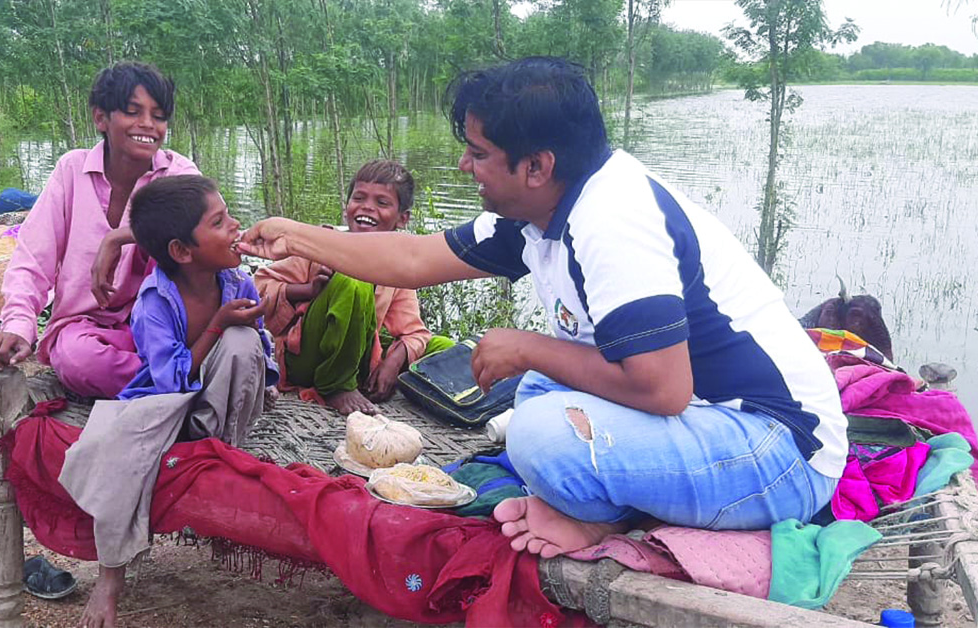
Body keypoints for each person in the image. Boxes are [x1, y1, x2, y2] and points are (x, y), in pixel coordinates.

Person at [237, 57, 846, 558]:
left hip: (781, 452)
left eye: (477, 153)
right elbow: (415, 259)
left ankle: (600, 522)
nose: (464, 166)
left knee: (542, 436)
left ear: (536, 166)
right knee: (535, 394)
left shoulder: (610, 225)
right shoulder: (547, 209)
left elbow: (664, 390)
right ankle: (606, 509)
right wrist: (298, 235)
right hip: (714, 420)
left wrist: (528, 345)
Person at [60, 175, 277, 628]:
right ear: (182, 251)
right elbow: (169, 381)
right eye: (219, 222)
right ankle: (110, 577)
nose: (236, 226)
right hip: (166, 400)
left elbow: (259, 353)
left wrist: (259, 352)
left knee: (243, 342)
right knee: (120, 453)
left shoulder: (239, 284)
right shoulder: (154, 302)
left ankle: (222, 450)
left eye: (228, 214)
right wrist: (215, 324)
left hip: (219, 408)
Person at [0, 61, 200, 399]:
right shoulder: (72, 170)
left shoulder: (177, 173)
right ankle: (179, 381)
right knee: (79, 362)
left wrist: (122, 236)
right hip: (88, 328)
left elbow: (206, 233)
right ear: (101, 118)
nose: (148, 125)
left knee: (181, 246)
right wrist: (18, 325)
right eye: (132, 111)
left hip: (164, 324)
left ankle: (169, 375)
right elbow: (33, 258)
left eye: (158, 116)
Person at [253, 160, 452, 415]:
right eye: (359, 197)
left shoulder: (397, 263)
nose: (367, 207)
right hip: (307, 359)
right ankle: (335, 385)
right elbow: (258, 288)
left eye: (382, 203)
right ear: (347, 207)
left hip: (357, 357)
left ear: (402, 219)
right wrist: (308, 290)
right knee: (353, 278)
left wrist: (394, 360)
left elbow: (414, 332)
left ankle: (380, 381)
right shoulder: (322, 244)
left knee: (443, 347)